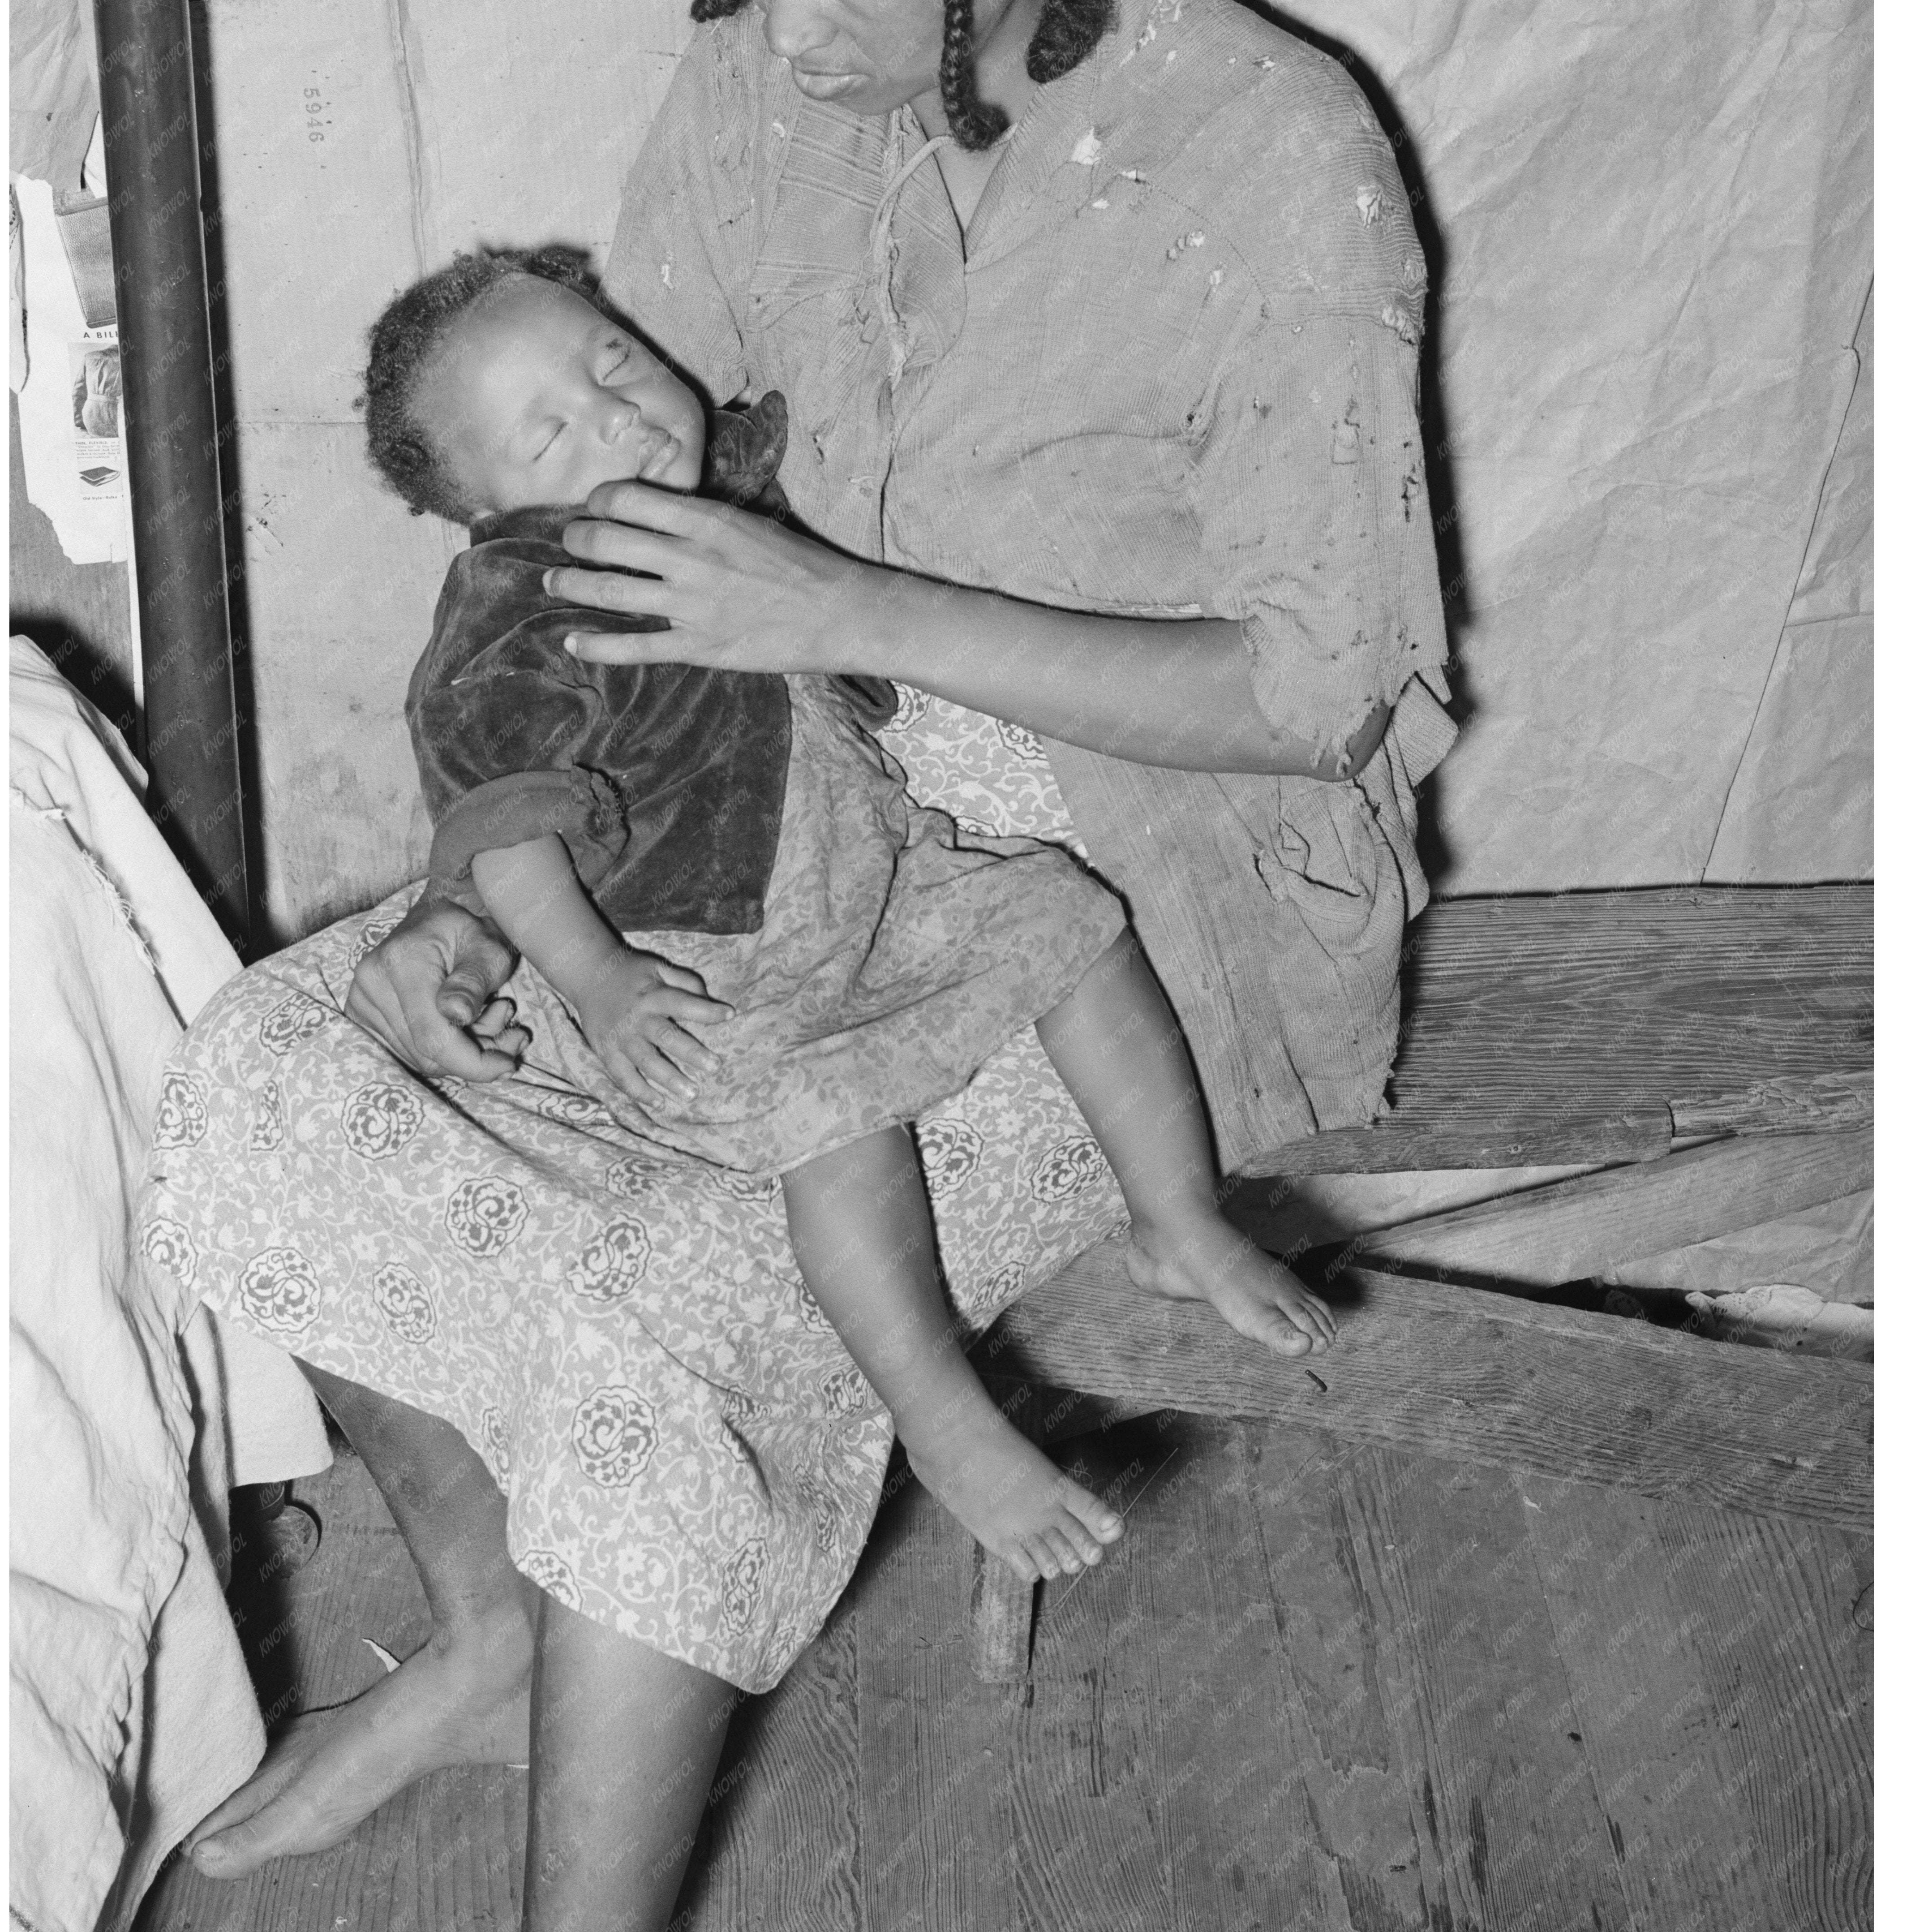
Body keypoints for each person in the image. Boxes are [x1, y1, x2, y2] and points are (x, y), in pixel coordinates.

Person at [144, 0, 1452, 1932]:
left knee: (679, 1285)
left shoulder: (1279, 172)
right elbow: (613, 523)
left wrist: (838, 612)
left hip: (1123, 898)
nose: (759, 27)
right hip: (749, 792)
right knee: (275, 1068)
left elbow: (1315, 694)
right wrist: (475, 888)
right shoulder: (769, 82)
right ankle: (501, 1630)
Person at [359, 245, 1336, 1573]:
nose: (621, 413)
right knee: (840, 1124)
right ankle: (941, 1418)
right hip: (702, 958)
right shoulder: (521, 604)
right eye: (553, 431)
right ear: (480, 510)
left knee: (1070, 928)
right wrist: (595, 980)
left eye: (616, 361)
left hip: (879, 875)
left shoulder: (721, 491)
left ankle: (1176, 1219)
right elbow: (506, 818)